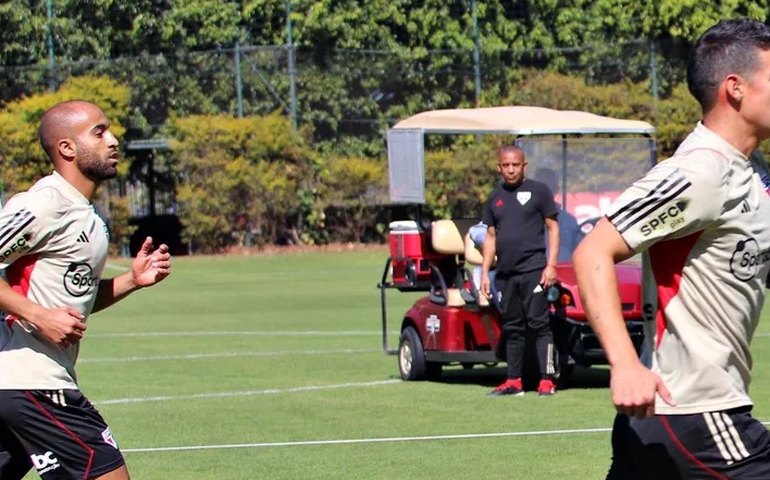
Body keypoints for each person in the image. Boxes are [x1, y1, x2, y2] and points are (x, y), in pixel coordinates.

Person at [572, 19, 770, 479]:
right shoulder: (699, 172)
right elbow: (592, 253)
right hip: (692, 411)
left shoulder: (750, 170)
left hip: (673, 417)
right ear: (735, 89)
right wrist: (623, 366)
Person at [0, 100, 172, 479]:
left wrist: (130, 280)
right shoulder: (45, 205)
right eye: (99, 132)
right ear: (66, 148)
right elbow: (45, 311)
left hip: (22, 386)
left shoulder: (87, 216)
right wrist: (38, 316)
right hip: (31, 382)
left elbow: (70, 299)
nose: (113, 141)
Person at [481, 145, 560, 396]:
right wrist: (485, 272)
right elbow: (491, 238)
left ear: (524, 166)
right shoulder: (494, 198)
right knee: (512, 327)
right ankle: (514, 381)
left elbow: (553, 228)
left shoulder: (539, 192)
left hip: (534, 270)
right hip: (505, 274)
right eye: (506, 165)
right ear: (499, 167)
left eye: (516, 164)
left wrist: (551, 265)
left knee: (540, 325)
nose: (511, 169)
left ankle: (546, 380)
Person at [533, 167, 585, 262]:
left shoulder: (569, 222)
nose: (545, 193)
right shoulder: (522, 219)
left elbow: (581, 253)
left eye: (549, 187)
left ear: (556, 189)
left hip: (564, 273)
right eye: (541, 188)